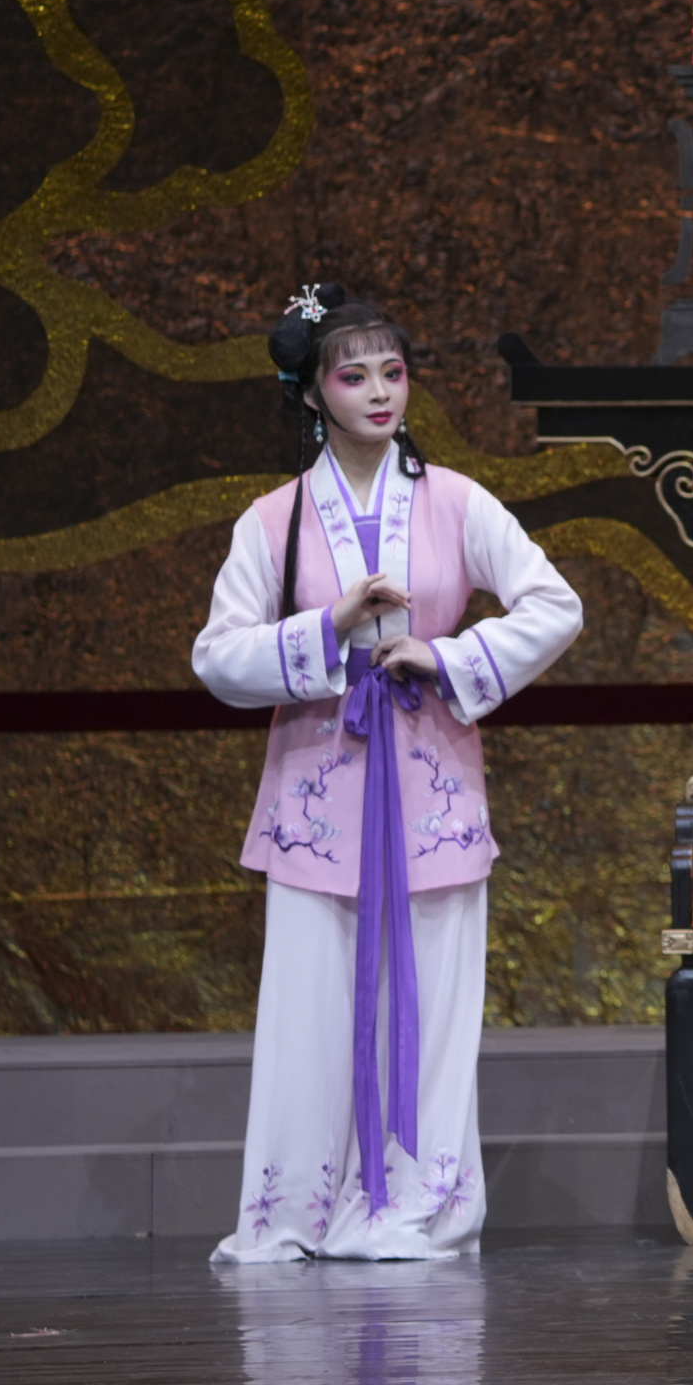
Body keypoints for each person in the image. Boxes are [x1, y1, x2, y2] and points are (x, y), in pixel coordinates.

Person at [194, 283, 583, 1261]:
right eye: (353, 375)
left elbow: (555, 603)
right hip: (318, 784)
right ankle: (296, 1213)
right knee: (309, 1012)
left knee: (436, 1004)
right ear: (312, 392)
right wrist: (330, 627)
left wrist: (443, 656)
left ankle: (418, 1207)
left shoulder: (455, 500)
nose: (378, 392)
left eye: (393, 372)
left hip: (429, 778)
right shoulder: (274, 519)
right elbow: (218, 658)